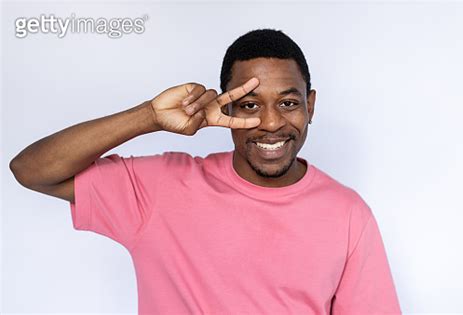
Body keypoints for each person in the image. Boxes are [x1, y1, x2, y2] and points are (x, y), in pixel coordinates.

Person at [9, 29, 402, 314]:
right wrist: (148, 116)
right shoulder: (160, 188)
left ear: (310, 107)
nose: (270, 123)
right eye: (249, 105)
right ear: (226, 109)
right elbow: (32, 170)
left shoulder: (347, 214)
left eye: (287, 103)